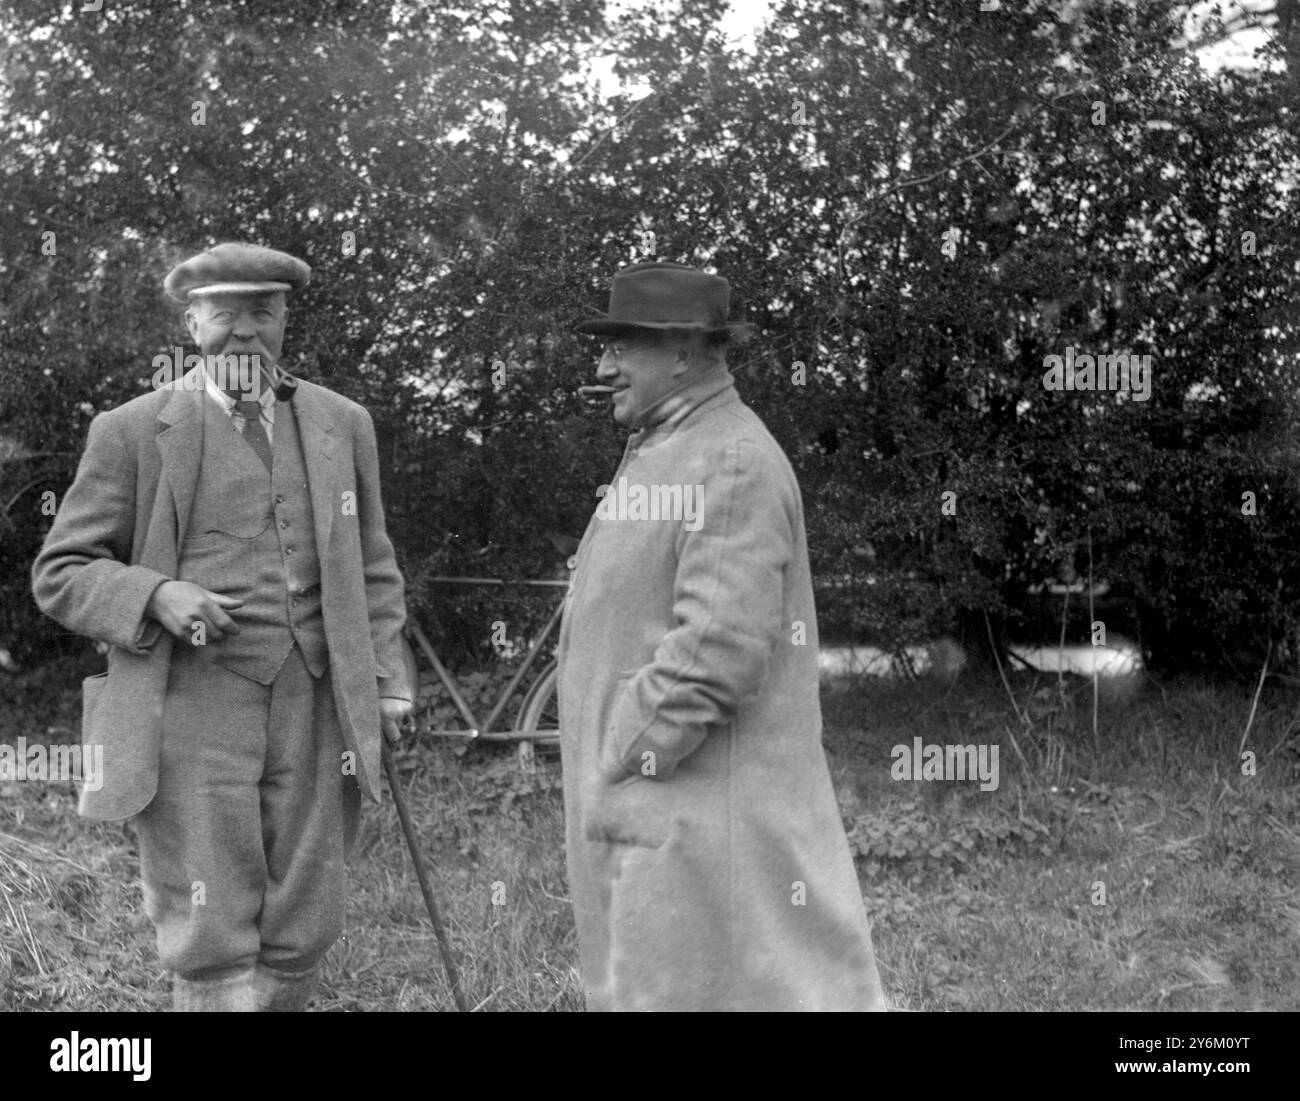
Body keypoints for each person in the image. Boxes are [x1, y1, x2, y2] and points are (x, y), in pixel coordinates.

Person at [31, 242, 413, 1011]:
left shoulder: (342, 424)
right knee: (208, 917)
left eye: (263, 312)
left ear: (284, 319)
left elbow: (372, 564)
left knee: (307, 910)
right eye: (226, 313)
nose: (245, 332)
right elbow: (60, 571)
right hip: (191, 707)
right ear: (193, 319)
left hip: (315, 699)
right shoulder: (134, 430)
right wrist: (154, 593)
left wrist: (390, 684)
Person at [557, 260, 887, 1010]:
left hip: (698, 825)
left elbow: (716, 650)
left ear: (681, 351)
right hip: (661, 817)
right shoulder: (667, 444)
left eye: (620, 347)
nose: (602, 365)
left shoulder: (729, 460)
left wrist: (622, 748)